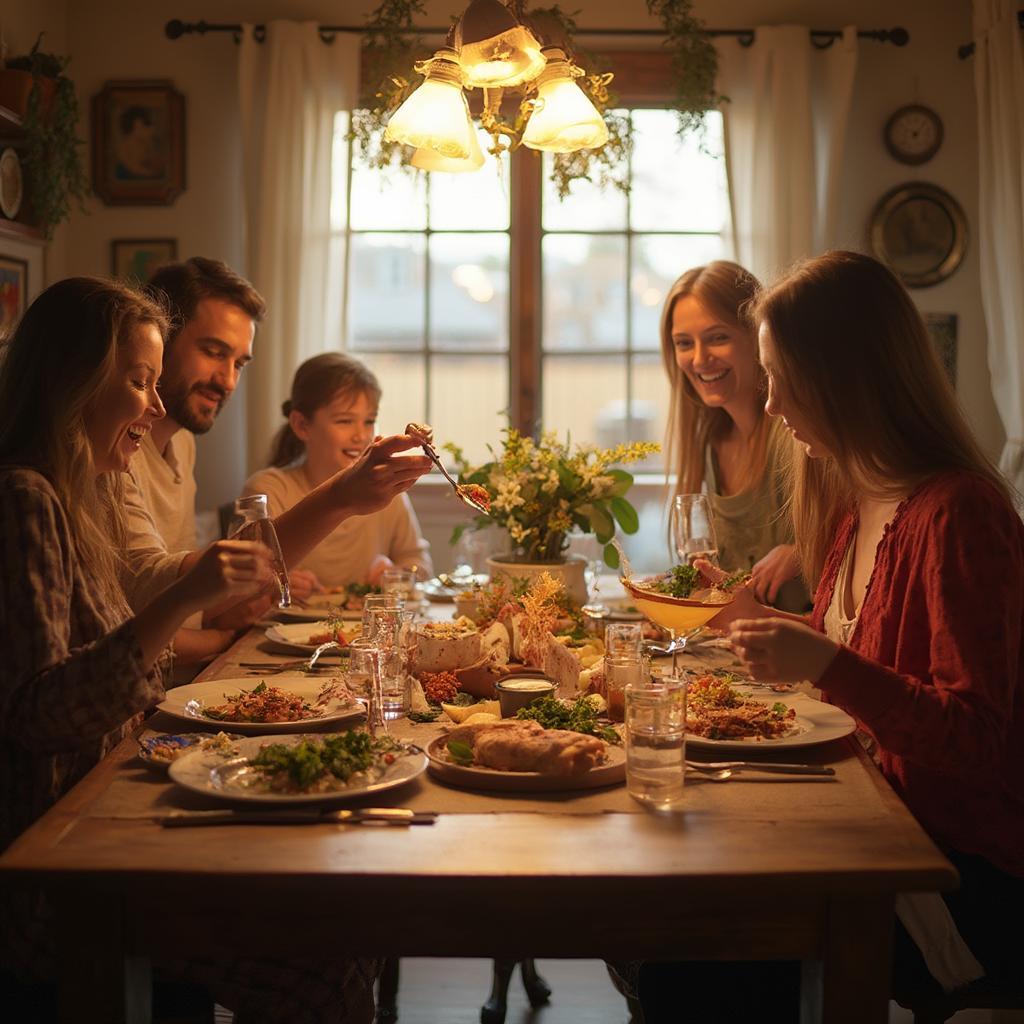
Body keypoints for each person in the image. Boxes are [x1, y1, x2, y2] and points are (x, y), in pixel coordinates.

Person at [641, 251, 1024, 1021]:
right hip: (870, 816)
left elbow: (981, 738)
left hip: (955, 868)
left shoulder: (958, 513)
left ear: (844, 376)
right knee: (665, 896)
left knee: (686, 955)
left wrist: (823, 661)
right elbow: (840, 646)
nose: (772, 404)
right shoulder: (861, 499)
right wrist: (750, 619)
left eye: (780, 376)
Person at [0, 279, 385, 1022]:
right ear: (71, 379)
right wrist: (184, 601)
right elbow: (37, 715)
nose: (152, 406)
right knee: (326, 958)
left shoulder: (83, 491)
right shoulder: (26, 498)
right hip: (62, 867)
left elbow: (121, 667)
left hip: (115, 802)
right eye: (138, 381)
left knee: (340, 892)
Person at [125, 257, 432, 669]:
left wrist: (230, 613)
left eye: (239, 364)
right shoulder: (115, 455)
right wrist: (223, 635)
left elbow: (183, 598)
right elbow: (139, 608)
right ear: (160, 343)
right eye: (213, 352)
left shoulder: (182, 445)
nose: (228, 381)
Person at [661, 260, 807, 610]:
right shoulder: (708, 444)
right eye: (684, 343)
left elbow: (863, 545)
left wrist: (801, 554)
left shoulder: (798, 438)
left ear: (757, 336)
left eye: (718, 338)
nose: (699, 359)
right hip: (735, 653)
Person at [243, 353, 433, 589]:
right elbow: (243, 583)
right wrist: (272, 584)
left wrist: (400, 573)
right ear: (302, 425)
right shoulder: (269, 490)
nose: (361, 435)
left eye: (369, 421)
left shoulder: (387, 491)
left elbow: (421, 564)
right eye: (344, 421)